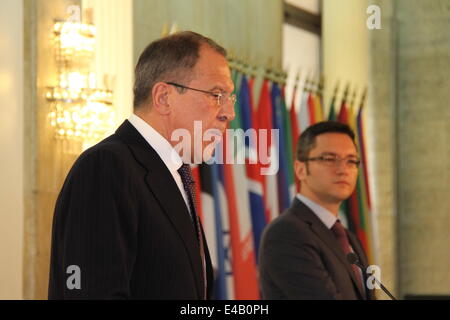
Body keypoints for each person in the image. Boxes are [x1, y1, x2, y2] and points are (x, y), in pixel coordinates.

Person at [48, 31, 236, 299]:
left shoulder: (177, 175)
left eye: (230, 97)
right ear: (163, 97)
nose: (229, 112)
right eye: (216, 94)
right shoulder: (106, 167)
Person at [259, 121, 374, 300]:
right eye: (329, 159)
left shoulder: (347, 237)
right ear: (301, 169)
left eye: (351, 161)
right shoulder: (287, 233)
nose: (343, 170)